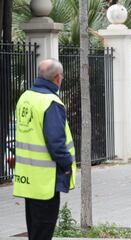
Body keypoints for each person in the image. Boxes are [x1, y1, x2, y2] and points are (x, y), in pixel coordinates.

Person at [13, 59, 76, 239]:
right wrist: (67, 165)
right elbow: (56, 142)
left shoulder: (26, 97)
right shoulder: (51, 102)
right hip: (46, 179)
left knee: (34, 228)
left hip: (28, 176)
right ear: (57, 78)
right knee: (44, 230)